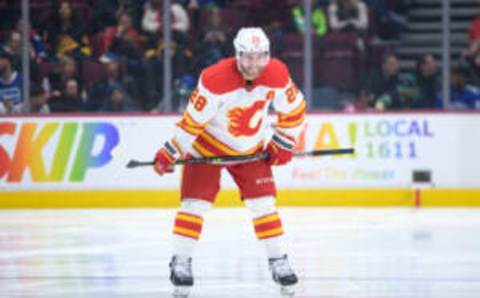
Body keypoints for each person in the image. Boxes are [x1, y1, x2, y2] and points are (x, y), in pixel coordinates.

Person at [153, 27, 306, 296]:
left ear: (267, 55)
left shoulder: (277, 74)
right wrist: (171, 151)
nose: (254, 64)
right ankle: (181, 261)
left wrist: (282, 143)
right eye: (247, 57)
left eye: (260, 57)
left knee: (264, 205)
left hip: (250, 149)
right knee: (194, 205)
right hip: (207, 148)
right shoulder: (214, 79)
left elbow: (294, 111)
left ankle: (279, 260)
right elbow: (191, 124)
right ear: (237, 54)